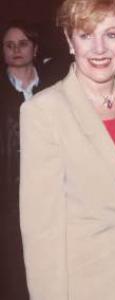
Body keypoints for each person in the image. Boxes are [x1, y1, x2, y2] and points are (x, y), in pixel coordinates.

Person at [19, 1, 115, 300]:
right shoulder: (44, 112)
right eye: (86, 35)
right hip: (89, 286)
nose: (99, 49)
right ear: (70, 41)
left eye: (111, 34)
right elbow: (42, 233)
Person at [0, 20, 53, 300]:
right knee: (12, 273)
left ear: (35, 48)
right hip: (8, 200)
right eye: (9, 45)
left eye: (22, 44)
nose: (16, 50)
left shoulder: (54, 86)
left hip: (50, 197)